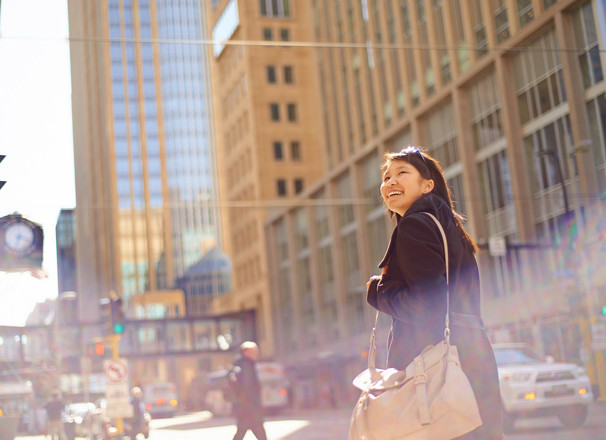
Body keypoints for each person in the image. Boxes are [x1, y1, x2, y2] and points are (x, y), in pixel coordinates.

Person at [365, 147, 503, 440]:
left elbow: (426, 307)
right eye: (386, 176)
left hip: (433, 372)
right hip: (471, 359)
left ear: (428, 185)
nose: (390, 181)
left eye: (402, 173)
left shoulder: (414, 226)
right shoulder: (448, 227)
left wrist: (379, 292)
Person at [230, 341, 268, 440]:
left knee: (241, 433)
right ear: (246, 352)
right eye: (255, 351)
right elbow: (248, 387)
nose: (257, 353)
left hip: (245, 408)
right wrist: (253, 405)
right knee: (258, 433)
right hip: (249, 408)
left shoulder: (241, 365)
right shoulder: (246, 366)